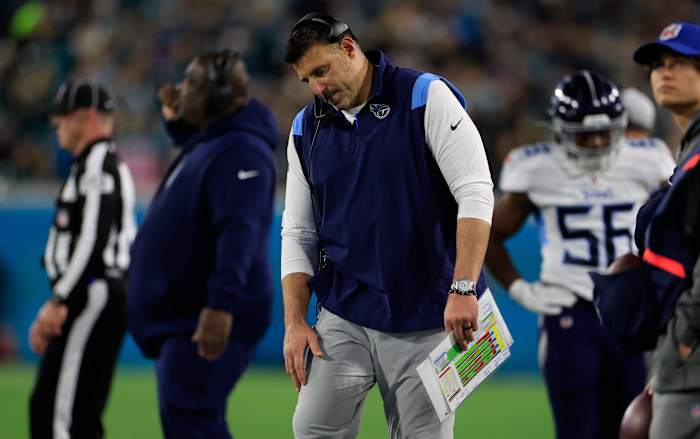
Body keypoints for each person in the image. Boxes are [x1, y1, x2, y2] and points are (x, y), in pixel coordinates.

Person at [281, 12, 494, 439]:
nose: (317, 88)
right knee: (312, 429)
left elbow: (476, 191)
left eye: (321, 71)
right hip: (346, 310)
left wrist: (464, 288)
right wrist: (294, 321)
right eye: (308, 81)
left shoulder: (425, 96)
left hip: (430, 312)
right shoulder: (307, 127)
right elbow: (298, 230)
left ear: (349, 48)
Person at [484, 70, 676, 438]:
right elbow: (490, 233)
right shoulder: (537, 167)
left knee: (630, 427)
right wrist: (520, 288)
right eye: (585, 134)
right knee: (576, 430)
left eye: (606, 131)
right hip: (568, 309)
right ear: (561, 129)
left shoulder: (647, 159)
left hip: (627, 313)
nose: (598, 142)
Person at [127, 50, 277, 438]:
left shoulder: (242, 150)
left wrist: (220, 304)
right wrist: (176, 120)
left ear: (218, 96)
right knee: (188, 421)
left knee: (193, 420)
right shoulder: (220, 143)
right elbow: (203, 146)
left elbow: (240, 232)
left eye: (191, 83)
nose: (180, 88)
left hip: (206, 316)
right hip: (190, 315)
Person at [29, 80, 136, 438]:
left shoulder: (98, 164)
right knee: (75, 412)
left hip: (92, 292)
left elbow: (93, 239)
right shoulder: (94, 164)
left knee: (58, 415)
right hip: (93, 292)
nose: (56, 126)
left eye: (61, 119)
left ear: (85, 117)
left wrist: (61, 299)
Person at [631, 21, 700, 439]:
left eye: (680, 62)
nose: (664, 72)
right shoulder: (688, 152)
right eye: (658, 64)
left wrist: (681, 338)